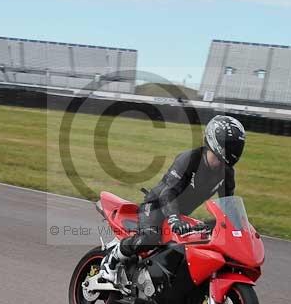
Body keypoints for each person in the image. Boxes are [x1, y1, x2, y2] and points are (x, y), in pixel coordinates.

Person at [99, 115, 246, 283]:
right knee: (150, 238)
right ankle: (111, 261)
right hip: (157, 206)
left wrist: (239, 228)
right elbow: (167, 192)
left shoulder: (226, 173)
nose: (221, 163)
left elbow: (227, 205)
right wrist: (174, 217)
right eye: (218, 157)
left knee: (197, 245)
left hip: (180, 215)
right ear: (213, 143)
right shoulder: (190, 159)